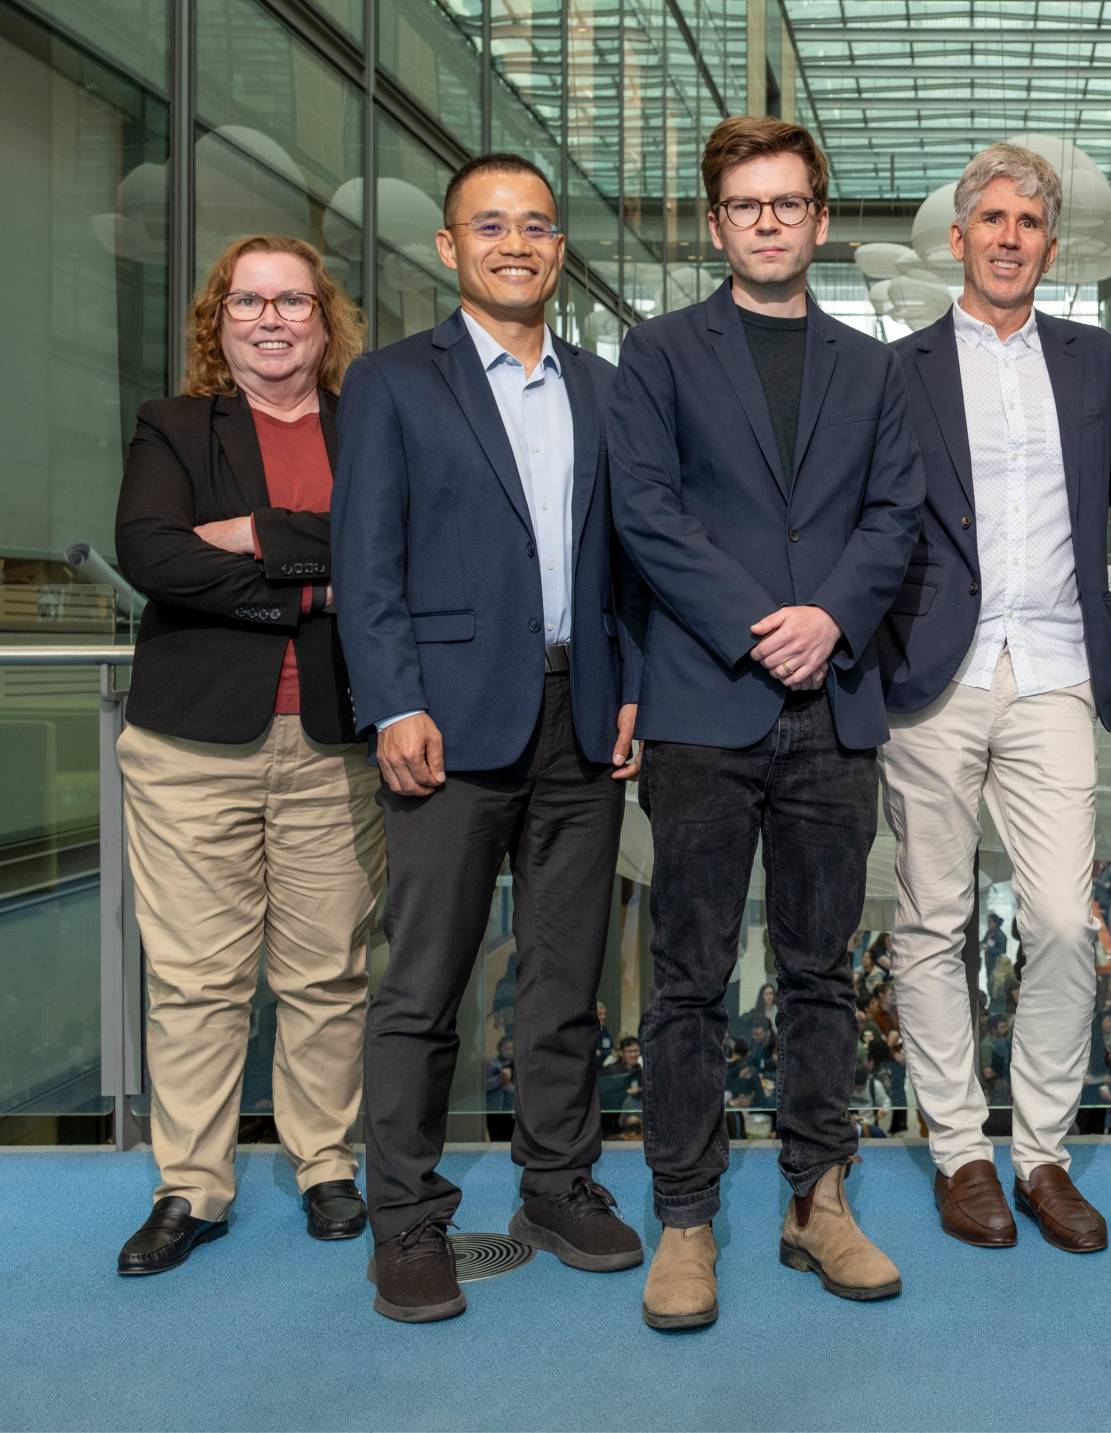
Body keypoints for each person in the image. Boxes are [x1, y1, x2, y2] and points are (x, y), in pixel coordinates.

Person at [607, 116, 922, 1330]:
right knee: (685, 974)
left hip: (831, 709)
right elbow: (645, 513)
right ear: (715, 223)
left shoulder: (873, 368)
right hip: (704, 701)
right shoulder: (660, 355)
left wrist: (830, 618)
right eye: (748, 206)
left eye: (790, 203)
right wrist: (759, 623)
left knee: (821, 973)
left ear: (822, 219)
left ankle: (817, 1201)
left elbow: (895, 519)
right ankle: (686, 1217)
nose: (771, 223)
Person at [334, 152, 648, 1324]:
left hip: (583, 719)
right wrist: (393, 701)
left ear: (560, 249)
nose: (516, 243)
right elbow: (367, 561)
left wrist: (634, 686)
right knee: (422, 986)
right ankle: (406, 1216)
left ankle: (556, 1184)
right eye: (491, 225)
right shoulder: (391, 383)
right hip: (447, 725)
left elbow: (628, 568)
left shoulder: (609, 389)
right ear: (450, 247)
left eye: (536, 226)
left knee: (564, 980)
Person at [876, 143, 1111, 1256]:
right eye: (993, 219)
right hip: (931, 675)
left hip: (1054, 667)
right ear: (958, 237)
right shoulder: (898, 368)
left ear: (1051, 247)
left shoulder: (1095, 361)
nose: (1010, 237)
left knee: (1063, 919)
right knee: (932, 920)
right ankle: (963, 1151)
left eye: (1029, 222)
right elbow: (870, 528)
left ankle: (1043, 1154)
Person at [112, 234, 382, 1277]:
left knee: (327, 970)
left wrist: (253, 533)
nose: (271, 321)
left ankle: (324, 1164)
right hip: (191, 743)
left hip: (333, 738)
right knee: (196, 977)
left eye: (293, 303)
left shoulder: (368, 424)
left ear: (326, 320)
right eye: (248, 303)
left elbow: (387, 550)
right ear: (218, 323)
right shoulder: (173, 426)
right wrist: (313, 575)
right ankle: (191, 1184)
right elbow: (151, 551)